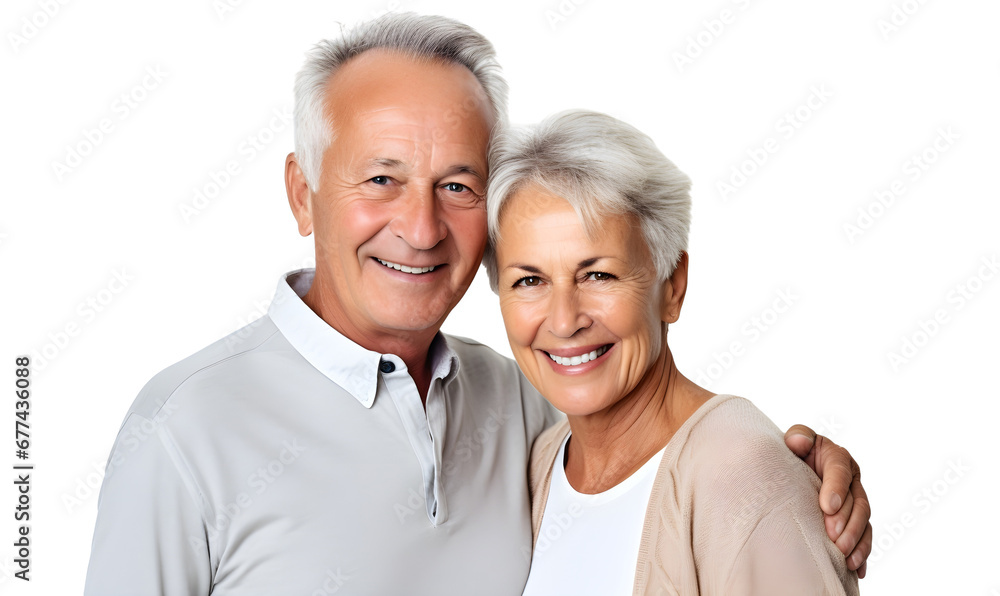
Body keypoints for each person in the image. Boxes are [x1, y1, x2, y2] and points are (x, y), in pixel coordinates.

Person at [84, 13, 870, 595]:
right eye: (382, 178)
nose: (422, 228)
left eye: (457, 186)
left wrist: (782, 478)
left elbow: (664, 462)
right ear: (302, 192)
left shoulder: (521, 399)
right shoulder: (182, 430)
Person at [484, 109, 861, 594]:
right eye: (529, 280)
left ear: (672, 286)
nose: (563, 320)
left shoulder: (744, 476)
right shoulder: (537, 464)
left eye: (598, 275)